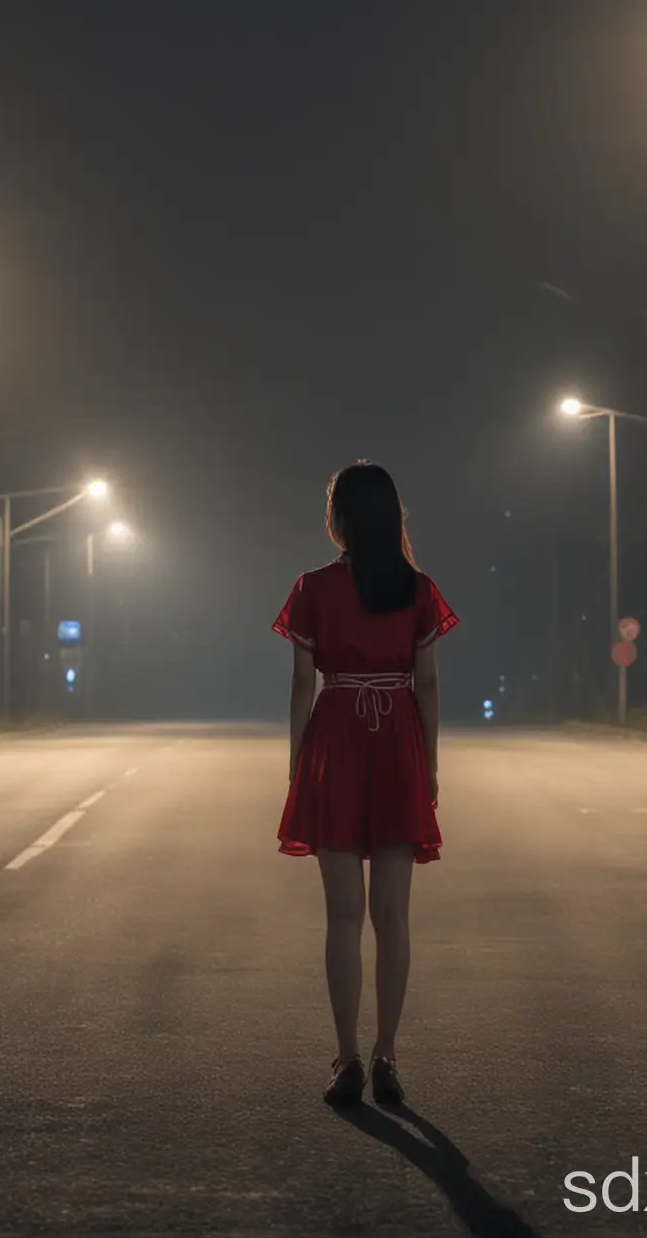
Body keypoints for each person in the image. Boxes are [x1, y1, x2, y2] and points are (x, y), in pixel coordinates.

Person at [272, 461, 460, 1107]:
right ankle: (387, 1056)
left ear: (339, 518)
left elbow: (303, 685)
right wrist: (428, 764)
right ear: (393, 515)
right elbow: (428, 683)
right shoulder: (418, 588)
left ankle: (346, 1057)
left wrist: (299, 763)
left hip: (337, 741)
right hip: (397, 743)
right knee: (393, 916)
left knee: (343, 916)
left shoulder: (312, 587)